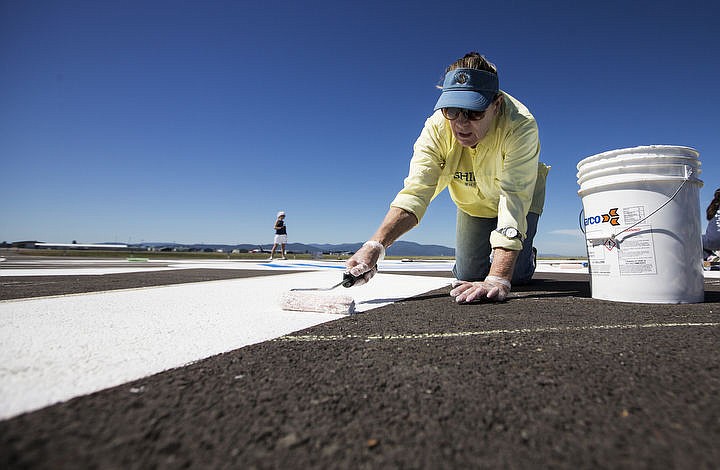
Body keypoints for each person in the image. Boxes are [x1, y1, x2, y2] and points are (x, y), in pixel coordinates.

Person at [346, 52, 549, 303]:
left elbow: (514, 197)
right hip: (472, 202)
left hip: (519, 199)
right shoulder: (436, 128)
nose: (461, 124)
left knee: (512, 276)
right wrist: (375, 246)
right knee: (468, 274)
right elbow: (416, 192)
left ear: (496, 105)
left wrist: (499, 276)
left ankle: (526, 258)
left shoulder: (521, 125)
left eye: (474, 112)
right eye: (452, 110)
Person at [702, 188, 720, 260]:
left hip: (712, 242)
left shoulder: (713, 208)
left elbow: (708, 218)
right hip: (714, 241)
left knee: (694, 238)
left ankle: (709, 256)